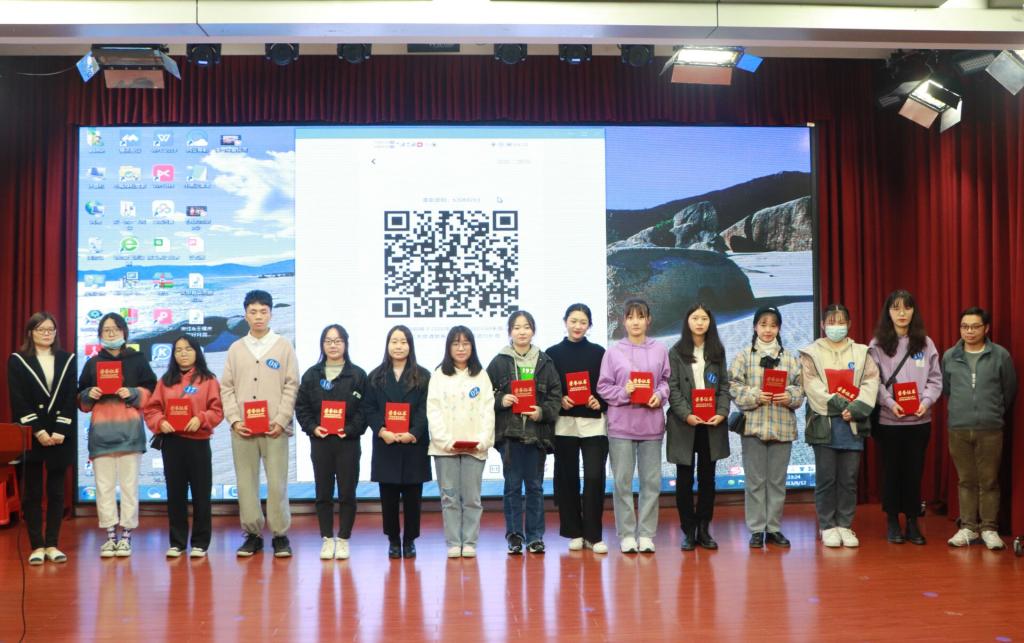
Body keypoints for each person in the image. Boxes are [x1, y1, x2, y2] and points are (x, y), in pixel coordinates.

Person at [221, 290, 300, 558]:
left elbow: (292, 385)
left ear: (271, 314)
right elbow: (227, 388)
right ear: (245, 315)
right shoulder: (236, 349)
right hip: (243, 430)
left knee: (277, 483)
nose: (258, 317)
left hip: (275, 428)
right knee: (246, 483)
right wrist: (234, 420)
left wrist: (281, 419)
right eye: (253, 312)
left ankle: (280, 535)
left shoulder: (283, 346)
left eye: (263, 311)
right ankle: (252, 534)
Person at [799, 303, 880, 548]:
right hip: (824, 423)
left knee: (848, 478)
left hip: (852, 423)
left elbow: (871, 380)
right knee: (826, 478)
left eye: (841, 322)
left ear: (849, 324)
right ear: (823, 325)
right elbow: (811, 385)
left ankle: (844, 524)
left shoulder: (862, 352)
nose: (836, 326)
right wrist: (837, 403)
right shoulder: (810, 353)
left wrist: (856, 408)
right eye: (831, 322)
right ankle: (827, 526)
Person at [78, 312, 157, 558]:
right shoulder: (92, 363)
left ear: (124, 332)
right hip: (101, 435)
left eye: (115, 329)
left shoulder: (138, 359)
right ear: (100, 334)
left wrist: (133, 393)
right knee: (104, 487)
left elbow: (152, 391)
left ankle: (127, 537)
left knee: (129, 487)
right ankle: (110, 536)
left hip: (130, 433)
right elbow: (80, 400)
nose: (111, 333)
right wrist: (89, 394)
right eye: (106, 330)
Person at [868, 290, 942, 545]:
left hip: (919, 421)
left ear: (913, 311)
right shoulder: (877, 344)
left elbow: (935, 379)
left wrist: (926, 401)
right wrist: (889, 403)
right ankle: (891, 520)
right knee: (891, 472)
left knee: (914, 472)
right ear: (888, 312)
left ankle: (912, 521)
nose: (901, 313)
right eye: (896, 308)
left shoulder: (926, 343)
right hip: (889, 421)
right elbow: (873, 381)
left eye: (907, 308)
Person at [597, 298, 670, 554]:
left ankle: (647, 534)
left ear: (648, 320)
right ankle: (627, 534)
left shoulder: (660, 349)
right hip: (621, 426)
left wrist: (659, 395)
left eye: (640, 317)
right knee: (622, 483)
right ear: (624, 321)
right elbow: (603, 387)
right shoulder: (613, 351)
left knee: (651, 482)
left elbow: (666, 382)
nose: (635, 322)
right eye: (630, 317)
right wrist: (623, 392)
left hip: (651, 425)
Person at [728, 306, 804, 549]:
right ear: (755, 327)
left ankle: (773, 528)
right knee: (755, 481)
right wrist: (754, 395)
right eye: (763, 324)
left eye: (773, 325)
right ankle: (756, 529)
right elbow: (732, 386)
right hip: (753, 427)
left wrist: (789, 396)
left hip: (782, 428)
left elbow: (801, 389)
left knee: (777, 482)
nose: (768, 330)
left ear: (779, 328)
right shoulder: (743, 356)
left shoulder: (790, 358)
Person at [942, 306, 1017, 550]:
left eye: (975, 326)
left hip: (990, 428)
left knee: (989, 481)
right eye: (965, 326)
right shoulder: (950, 356)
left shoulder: (1000, 356)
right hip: (959, 428)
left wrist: (992, 412)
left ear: (986, 328)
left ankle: (989, 529)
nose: (969, 331)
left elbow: (1009, 390)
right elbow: (947, 389)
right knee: (966, 480)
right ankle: (968, 528)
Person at [487, 310, 562, 555]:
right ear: (510, 331)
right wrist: (500, 399)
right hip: (509, 435)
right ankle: (514, 537)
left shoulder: (545, 361)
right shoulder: (499, 362)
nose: (522, 332)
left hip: (536, 435)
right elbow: (484, 395)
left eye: (526, 327)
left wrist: (542, 412)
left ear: (533, 331)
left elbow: (555, 396)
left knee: (535, 488)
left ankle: (535, 537)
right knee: (512, 488)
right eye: (517, 327)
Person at [143, 335, 223, 558]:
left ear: (197, 351)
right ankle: (177, 542)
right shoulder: (165, 380)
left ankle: (200, 543)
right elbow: (151, 409)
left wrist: (202, 418)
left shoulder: (208, 380)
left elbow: (217, 410)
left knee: (201, 494)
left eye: (188, 349)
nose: (183, 353)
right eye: (178, 350)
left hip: (198, 443)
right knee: (175, 494)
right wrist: (161, 422)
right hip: (173, 443)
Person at [7, 312, 76, 564]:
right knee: (32, 492)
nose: (46, 334)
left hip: (60, 435)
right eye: (40, 329)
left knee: (56, 492)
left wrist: (60, 430)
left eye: (50, 329)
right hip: (32, 434)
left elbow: (70, 397)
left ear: (56, 332)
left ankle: (52, 544)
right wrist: (38, 430)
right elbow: (18, 399)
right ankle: (37, 545)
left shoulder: (68, 359)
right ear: (30, 333)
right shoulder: (17, 360)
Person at [295, 324, 367, 560]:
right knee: (323, 492)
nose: (333, 345)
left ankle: (344, 539)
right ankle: (327, 538)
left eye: (337, 341)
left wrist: (351, 429)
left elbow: (365, 409)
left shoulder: (358, 375)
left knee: (347, 492)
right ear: (322, 344)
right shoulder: (311, 375)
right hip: (321, 442)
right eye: (328, 341)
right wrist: (313, 428)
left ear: (345, 344)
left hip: (348, 442)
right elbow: (302, 407)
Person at [427, 326, 495, 558]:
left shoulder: (481, 375)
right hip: (445, 449)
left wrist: (483, 440)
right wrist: (445, 441)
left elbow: (488, 411)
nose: (461, 348)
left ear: (472, 347)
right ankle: (454, 542)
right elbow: (433, 410)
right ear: (448, 347)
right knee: (449, 498)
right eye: (456, 343)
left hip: (475, 448)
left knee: (472, 499)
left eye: (466, 343)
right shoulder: (438, 375)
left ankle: (470, 542)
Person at [546, 303, 609, 554]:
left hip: (594, 423)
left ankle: (593, 535)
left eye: (583, 322)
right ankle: (574, 532)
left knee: (594, 477)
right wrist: (560, 398)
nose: (577, 326)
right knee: (567, 477)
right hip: (565, 424)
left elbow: (607, 384)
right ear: (565, 322)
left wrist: (599, 400)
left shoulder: (599, 352)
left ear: (589, 325)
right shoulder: (552, 353)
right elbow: (547, 388)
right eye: (573, 321)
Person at [364, 326, 431, 559]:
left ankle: (410, 540)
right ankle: (393, 540)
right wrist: (381, 430)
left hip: (413, 445)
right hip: (387, 444)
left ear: (410, 345)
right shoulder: (375, 376)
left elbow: (426, 409)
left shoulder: (423, 376)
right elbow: (369, 408)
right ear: (387, 345)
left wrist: (414, 432)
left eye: (403, 341)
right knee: (389, 498)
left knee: (413, 498)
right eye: (394, 341)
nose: (399, 346)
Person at [667, 304, 730, 551]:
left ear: (710, 322)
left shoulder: (717, 350)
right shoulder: (675, 351)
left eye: (704, 318)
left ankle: (704, 528)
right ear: (687, 321)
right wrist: (687, 414)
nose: (700, 322)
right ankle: (688, 530)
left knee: (707, 479)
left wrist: (722, 412)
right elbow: (672, 388)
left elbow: (724, 385)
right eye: (695, 318)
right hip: (685, 423)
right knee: (684, 479)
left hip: (711, 423)